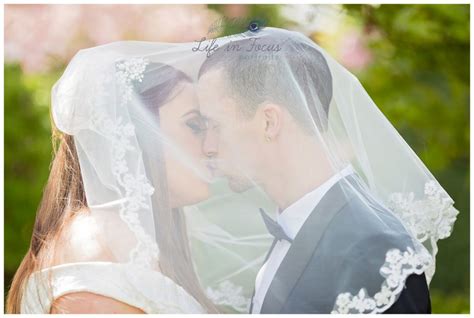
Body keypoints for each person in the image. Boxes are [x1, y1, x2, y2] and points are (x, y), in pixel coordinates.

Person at [196, 27, 459, 313]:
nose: (207, 146)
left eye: (215, 125)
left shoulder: (374, 250)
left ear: (269, 121)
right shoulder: (295, 224)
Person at [7, 44, 217, 314]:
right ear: (136, 132)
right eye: (194, 125)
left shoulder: (130, 237)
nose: (212, 146)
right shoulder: (95, 244)